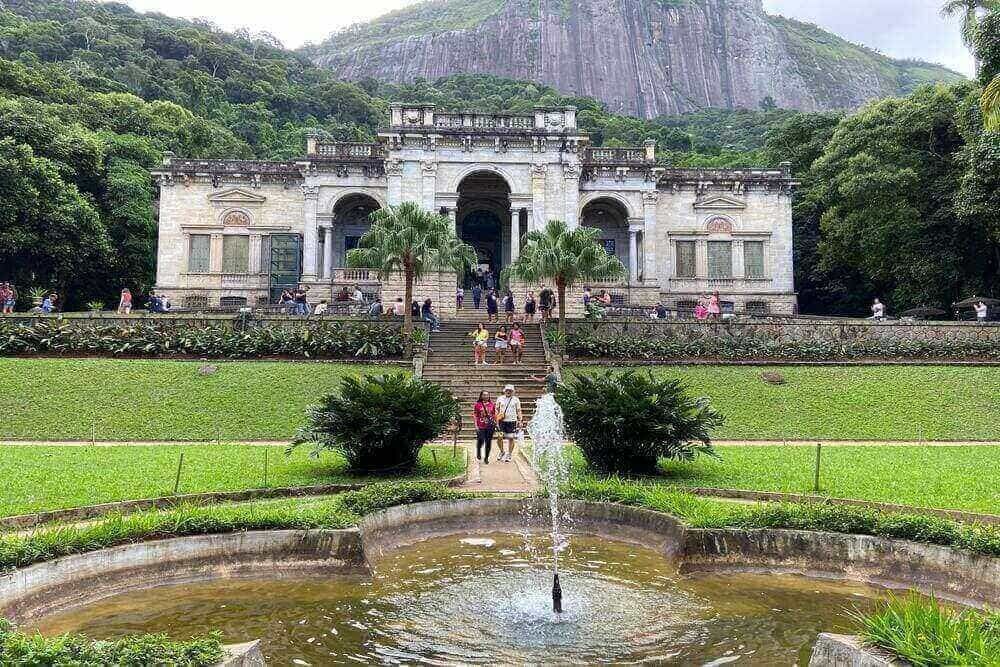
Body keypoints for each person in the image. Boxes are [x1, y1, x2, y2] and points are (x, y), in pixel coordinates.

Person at [494, 384, 522, 463]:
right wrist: (496, 418)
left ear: (512, 391)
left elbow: (519, 410)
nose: (508, 391)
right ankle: (502, 451)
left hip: (512, 421)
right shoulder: (500, 398)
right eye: (507, 390)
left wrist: (520, 420)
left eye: (510, 390)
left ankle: (509, 454)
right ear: (504, 391)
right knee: (499, 437)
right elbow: (496, 409)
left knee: (511, 438)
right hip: (501, 421)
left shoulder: (516, 399)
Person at [473, 391, 496, 464]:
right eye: (484, 395)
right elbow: (475, 415)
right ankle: (478, 451)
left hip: (490, 426)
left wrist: (496, 424)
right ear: (481, 396)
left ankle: (486, 457)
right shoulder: (477, 404)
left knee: (488, 442)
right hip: (480, 425)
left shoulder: (492, 404)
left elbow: (494, 415)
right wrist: (476, 425)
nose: (486, 396)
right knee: (481, 439)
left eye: (487, 395)